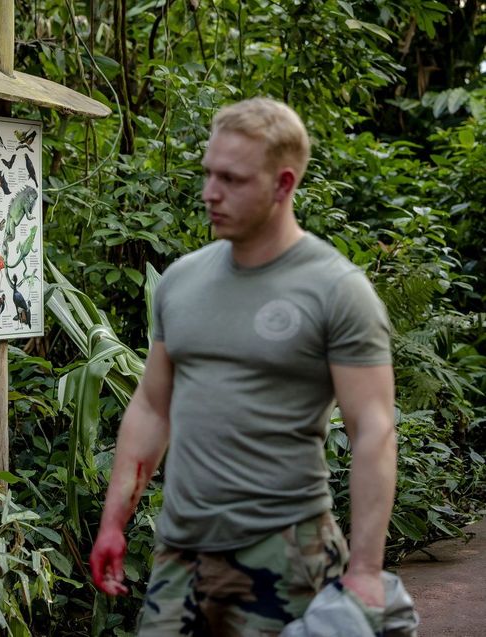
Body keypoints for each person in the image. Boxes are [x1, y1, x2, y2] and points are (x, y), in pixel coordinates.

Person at [90, 97, 397, 636]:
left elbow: (373, 430)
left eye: (231, 179)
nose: (211, 192)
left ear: (283, 184)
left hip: (285, 553)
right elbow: (152, 405)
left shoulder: (337, 290)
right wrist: (115, 520)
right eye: (208, 173)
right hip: (179, 555)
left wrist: (367, 570)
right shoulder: (181, 281)